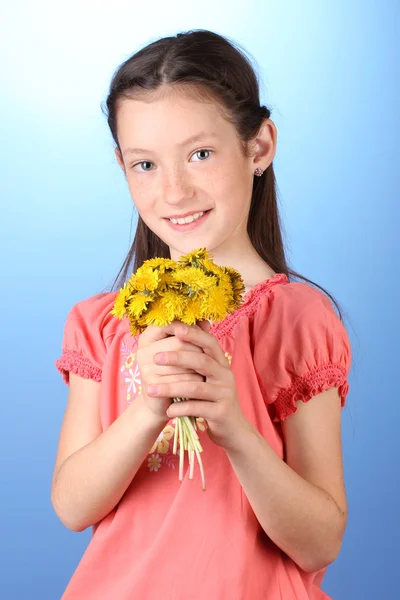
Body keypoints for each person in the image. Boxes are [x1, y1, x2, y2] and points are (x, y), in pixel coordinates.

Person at [52, 29, 352, 600]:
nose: (174, 190)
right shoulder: (102, 325)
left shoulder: (297, 320)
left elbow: (320, 543)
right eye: (144, 164)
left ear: (259, 147)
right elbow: (72, 505)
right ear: (121, 165)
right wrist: (147, 410)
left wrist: (235, 428)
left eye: (200, 154)